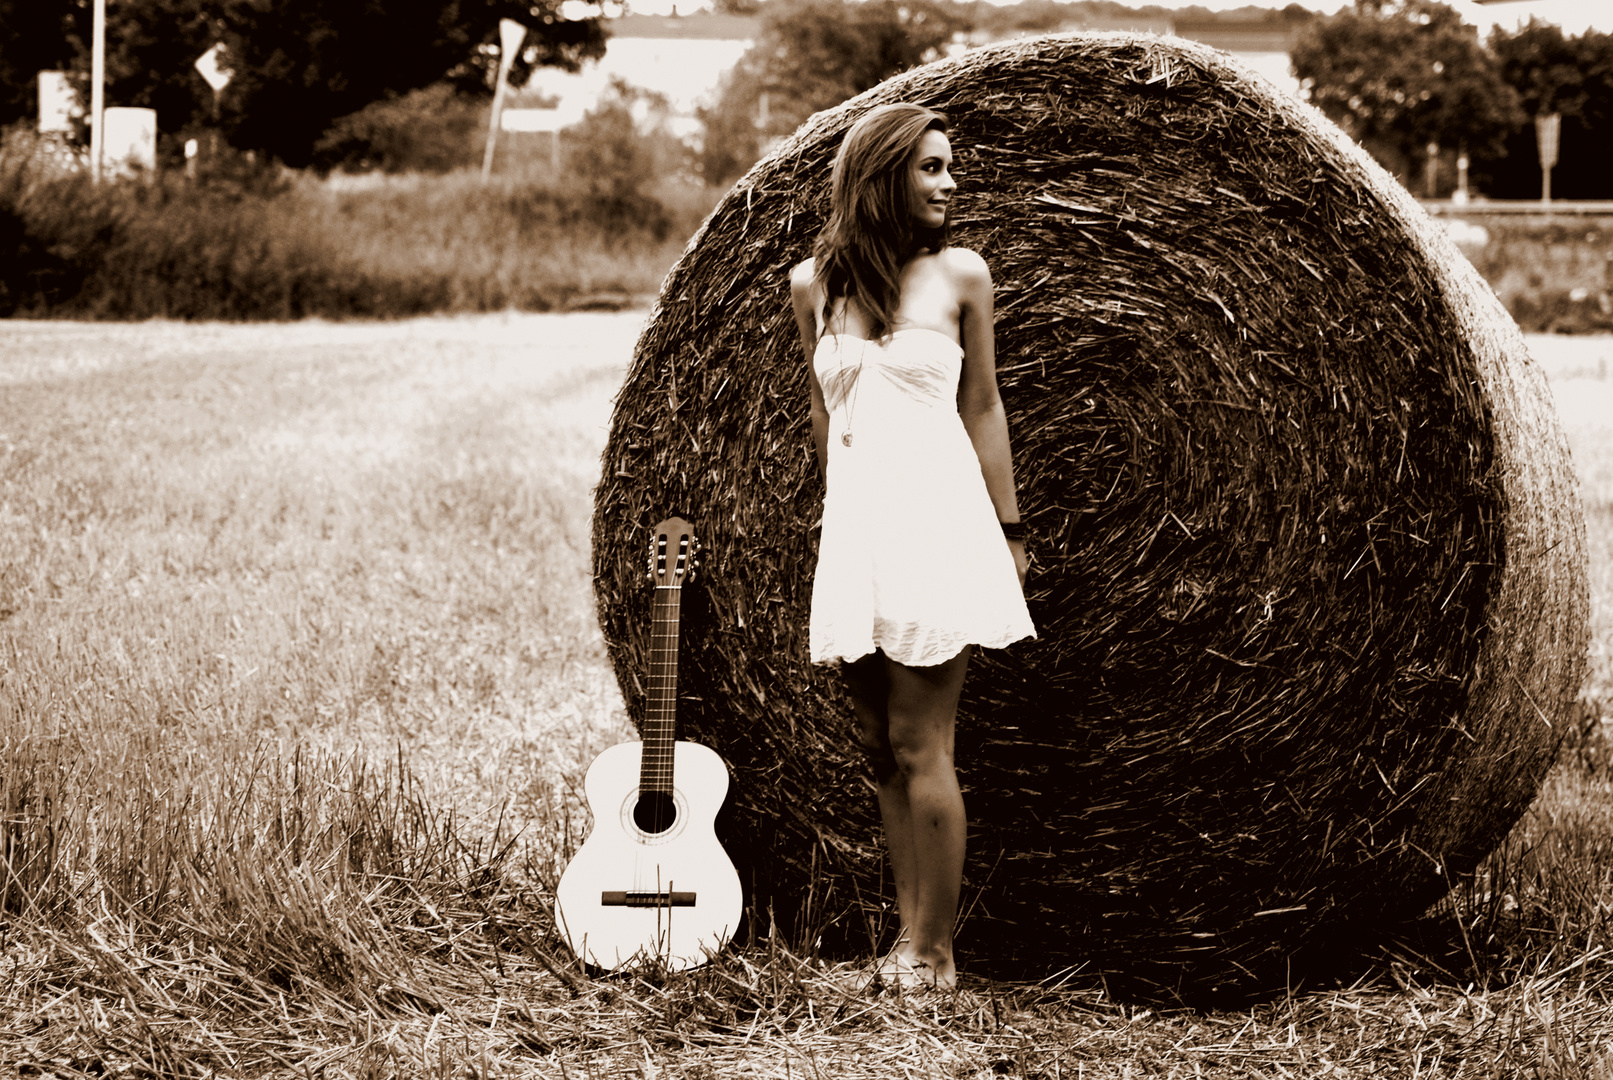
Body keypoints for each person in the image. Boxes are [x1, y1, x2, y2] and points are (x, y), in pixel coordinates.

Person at [789, 103, 1035, 990]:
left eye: (949, 167)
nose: (948, 183)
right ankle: (905, 937)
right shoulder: (812, 284)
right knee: (875, 746)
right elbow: (825, 417)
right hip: (859, 531)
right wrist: (834, 526)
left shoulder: (962, 276)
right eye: (929, 167)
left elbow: (983, 409)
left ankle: (935, 950)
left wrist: (1008, 533)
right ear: (881, 174)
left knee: (921, 737)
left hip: (936, 523)